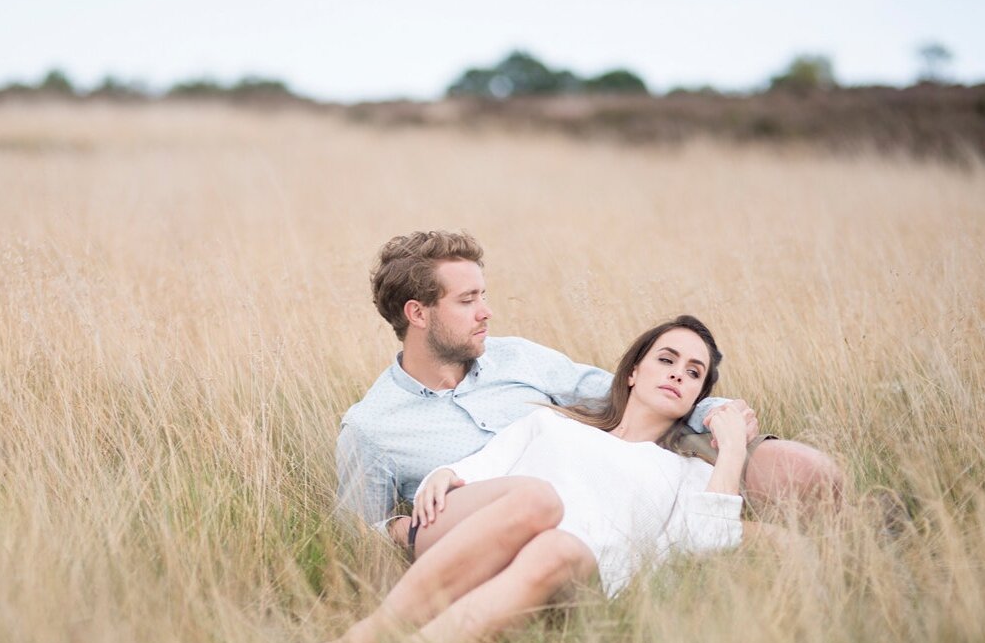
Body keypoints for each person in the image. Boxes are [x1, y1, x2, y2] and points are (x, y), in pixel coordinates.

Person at [335, 230, 840, 560]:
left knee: (802, 471)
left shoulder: (517, 357)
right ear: (417, 314)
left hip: (626, 457)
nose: (487, 311)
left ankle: (867, 541)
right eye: (468, 301)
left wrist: (709, 412)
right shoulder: (373, 428)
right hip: (550, 536)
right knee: (769, 548)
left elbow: (608, 388)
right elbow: (365, 533)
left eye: (484, 295)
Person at [320, 315, 779, 643]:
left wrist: (734, 446)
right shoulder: (549, 424)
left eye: (694, 372)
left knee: (557, 545)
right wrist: (443, 472)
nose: (679, 373)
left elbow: (710, 543)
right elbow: (475, 474)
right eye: (666, 359)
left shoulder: (685, 472)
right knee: (538, 502)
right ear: (634, 372)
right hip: (501, 548)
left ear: (699, 397)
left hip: (586, 579)